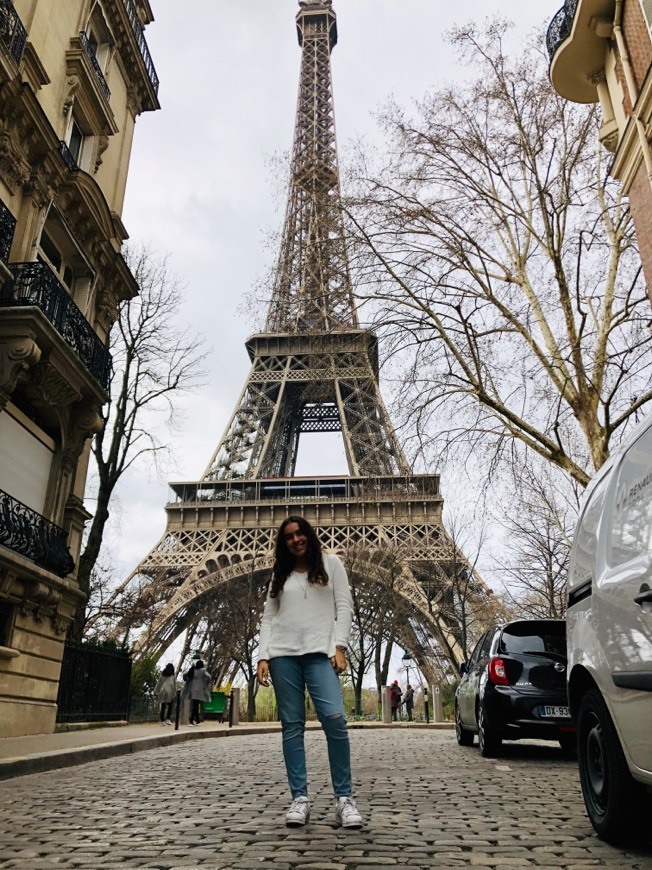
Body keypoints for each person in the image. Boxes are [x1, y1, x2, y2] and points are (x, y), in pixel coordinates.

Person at [256, 515, 363, 829]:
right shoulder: (281, 572)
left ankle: (344, 799)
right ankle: (299, 799)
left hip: (319, 654)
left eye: (300, 533)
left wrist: (339, 646)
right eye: (288, 536)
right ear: (283, 542)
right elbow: (268, 616)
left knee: (335, 720)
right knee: (292, 726)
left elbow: (344, 606)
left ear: (310, 536)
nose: (296, 539)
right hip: (282, 657)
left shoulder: (331, 565)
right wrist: (263, 656)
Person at [182, 659, 212, 725]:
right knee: (195, 705)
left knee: (195, 704)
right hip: (200, 689)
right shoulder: (203, 670)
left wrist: (186, 679)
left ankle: (197, 720)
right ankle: (192, 720)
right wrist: (207, 682)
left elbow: (184, 674)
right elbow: (209, 676)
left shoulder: (193, 670)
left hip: (193, 689)